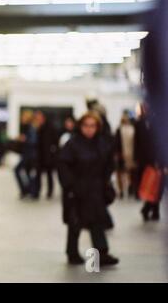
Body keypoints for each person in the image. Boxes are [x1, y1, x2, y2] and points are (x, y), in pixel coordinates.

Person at [58, 111, 119, 266]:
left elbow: (108, 164)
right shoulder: (72, 144)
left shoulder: (102, 143)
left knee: (97, 222)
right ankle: (72, 252)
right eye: (86, 125)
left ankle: (101, 254)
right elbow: (63, 165)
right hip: (77, 189)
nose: (89, 129)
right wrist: (70, 185)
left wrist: (106, 182)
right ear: (81, 126)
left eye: (93, 126)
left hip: (96, 189)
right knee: (75, 222)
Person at [114, 111, 137, 199]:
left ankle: (130, 188)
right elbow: (116, 143)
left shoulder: (132, 129)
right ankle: (121, 191)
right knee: (120, 174)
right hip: (121, 155)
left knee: (130, 173)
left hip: (130, 155)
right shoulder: (119, 130)